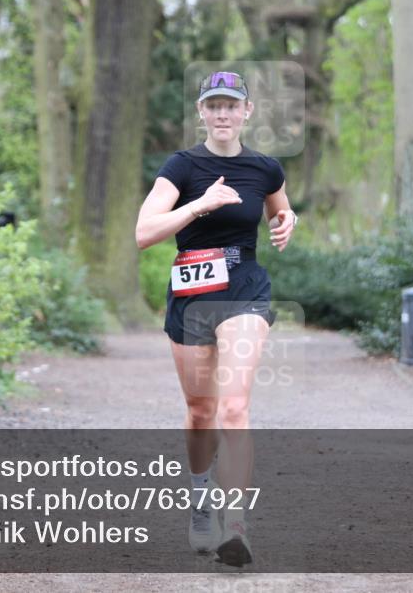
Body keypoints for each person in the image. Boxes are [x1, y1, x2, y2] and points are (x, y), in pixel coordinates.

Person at [135, 71, 297, 566]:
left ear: (247, 112)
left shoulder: (265, 168)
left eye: (232, 105)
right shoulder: (181, 167)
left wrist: (287, 223)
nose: (223, 114)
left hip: (244, 288)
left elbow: (279, 211)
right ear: (202, 113)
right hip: (191, 294)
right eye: (214, 106)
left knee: (233, 408)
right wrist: (199, 205)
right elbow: (144, 232)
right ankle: (200, 493)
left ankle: (236, 525)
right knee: (201, 411)